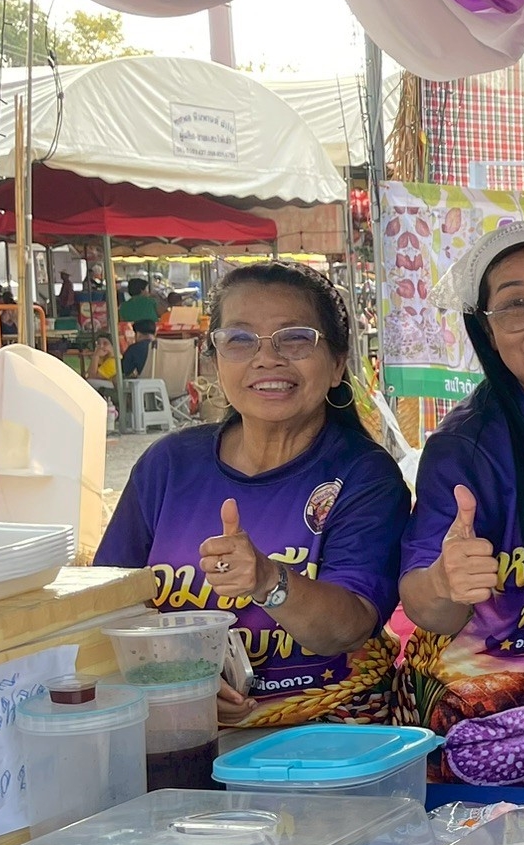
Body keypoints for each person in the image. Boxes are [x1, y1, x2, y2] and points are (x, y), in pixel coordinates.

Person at [96, 261, 409, 728]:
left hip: (328, 736)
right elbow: (107, 603)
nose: (267, 358)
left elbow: (349, 627)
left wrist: (267, 580)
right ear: (215, 360)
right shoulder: (169, 465)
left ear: (337, 364)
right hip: (179, 727)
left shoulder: (365, 477)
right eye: (240, 339)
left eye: (295, 338)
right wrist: (182, 677)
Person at [118, 276, 160, 378]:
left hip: (127, 340)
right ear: (142, 290)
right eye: (146, 289)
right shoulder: (150, 301)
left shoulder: (123, 306)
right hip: (151, 338)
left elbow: (121, 321)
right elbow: (162, 313)